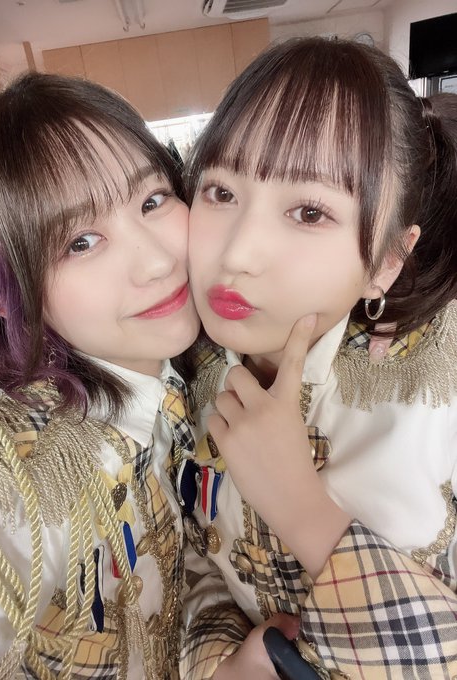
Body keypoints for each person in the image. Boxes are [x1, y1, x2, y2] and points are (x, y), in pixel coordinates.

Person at [179, 37, 457, 679]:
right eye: (220, 191)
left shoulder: (440, 376)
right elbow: (194, 563)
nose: (237, 252)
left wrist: (304, 509)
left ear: (389, 259)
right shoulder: (190, 368)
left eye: (309, 211)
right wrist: (223, 666)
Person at [0, 71, 200, 679]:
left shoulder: (186, 373)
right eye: (80, 242)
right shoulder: (10, 472)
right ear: (4, 292)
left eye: (152, 200)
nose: (158, 262)